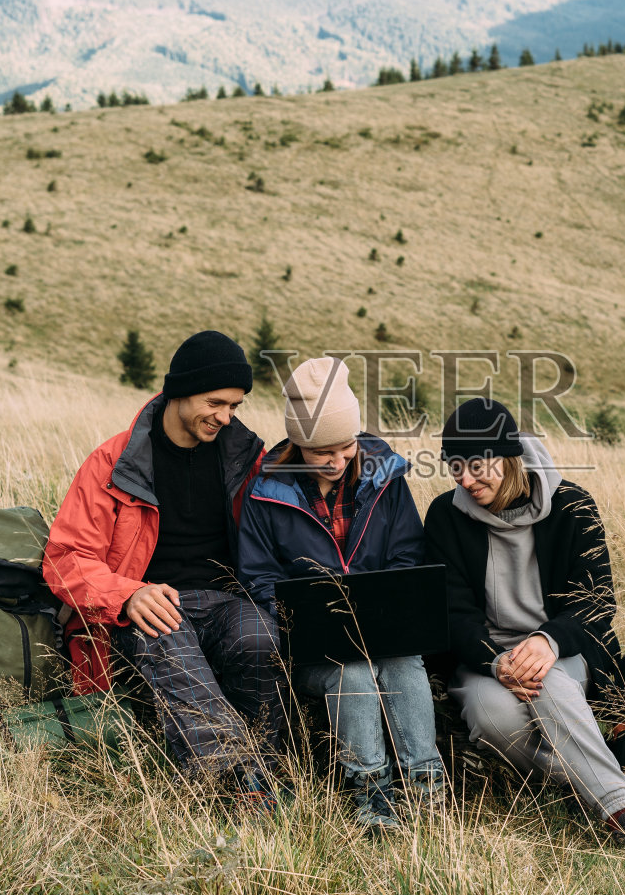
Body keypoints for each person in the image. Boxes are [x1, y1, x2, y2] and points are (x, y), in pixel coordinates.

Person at [423, 398, 625, 858]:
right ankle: (583, 780)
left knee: (552, 689)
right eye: (454, 465)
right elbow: (449, 613)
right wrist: (497, 661)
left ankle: (623, 815)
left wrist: (548, 640)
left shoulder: (573, 505)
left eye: (477, 465)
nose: (464, 478)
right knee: (492, 717)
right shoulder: (446, 516)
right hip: (483, 657)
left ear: (510, 458)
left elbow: (597, 602)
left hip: (562, 650)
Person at [42, 330, 282, 810]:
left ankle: (268, 767)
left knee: (261, 638)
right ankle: (240, 784)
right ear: (179, 390)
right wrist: (127, 595)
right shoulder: (114, 462)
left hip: (227, 601)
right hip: (147, 602)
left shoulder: (247, 460)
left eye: (234, 406)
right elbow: (65, 558)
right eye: (215, 402)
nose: (225, 417)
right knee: (167, 635)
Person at [239, 356, 445, 831]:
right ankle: (372, 795)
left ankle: (426, 789)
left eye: (346, 447)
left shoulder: (385, 478)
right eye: (322, 453)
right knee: (351, 670)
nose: (337, 462)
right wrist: (303, 617)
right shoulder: (265, 493)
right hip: (315, 644)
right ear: (297, 444)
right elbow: (258, 578)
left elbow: (407, 556)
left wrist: (388, 605)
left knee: (403, 663)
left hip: (386, 630)